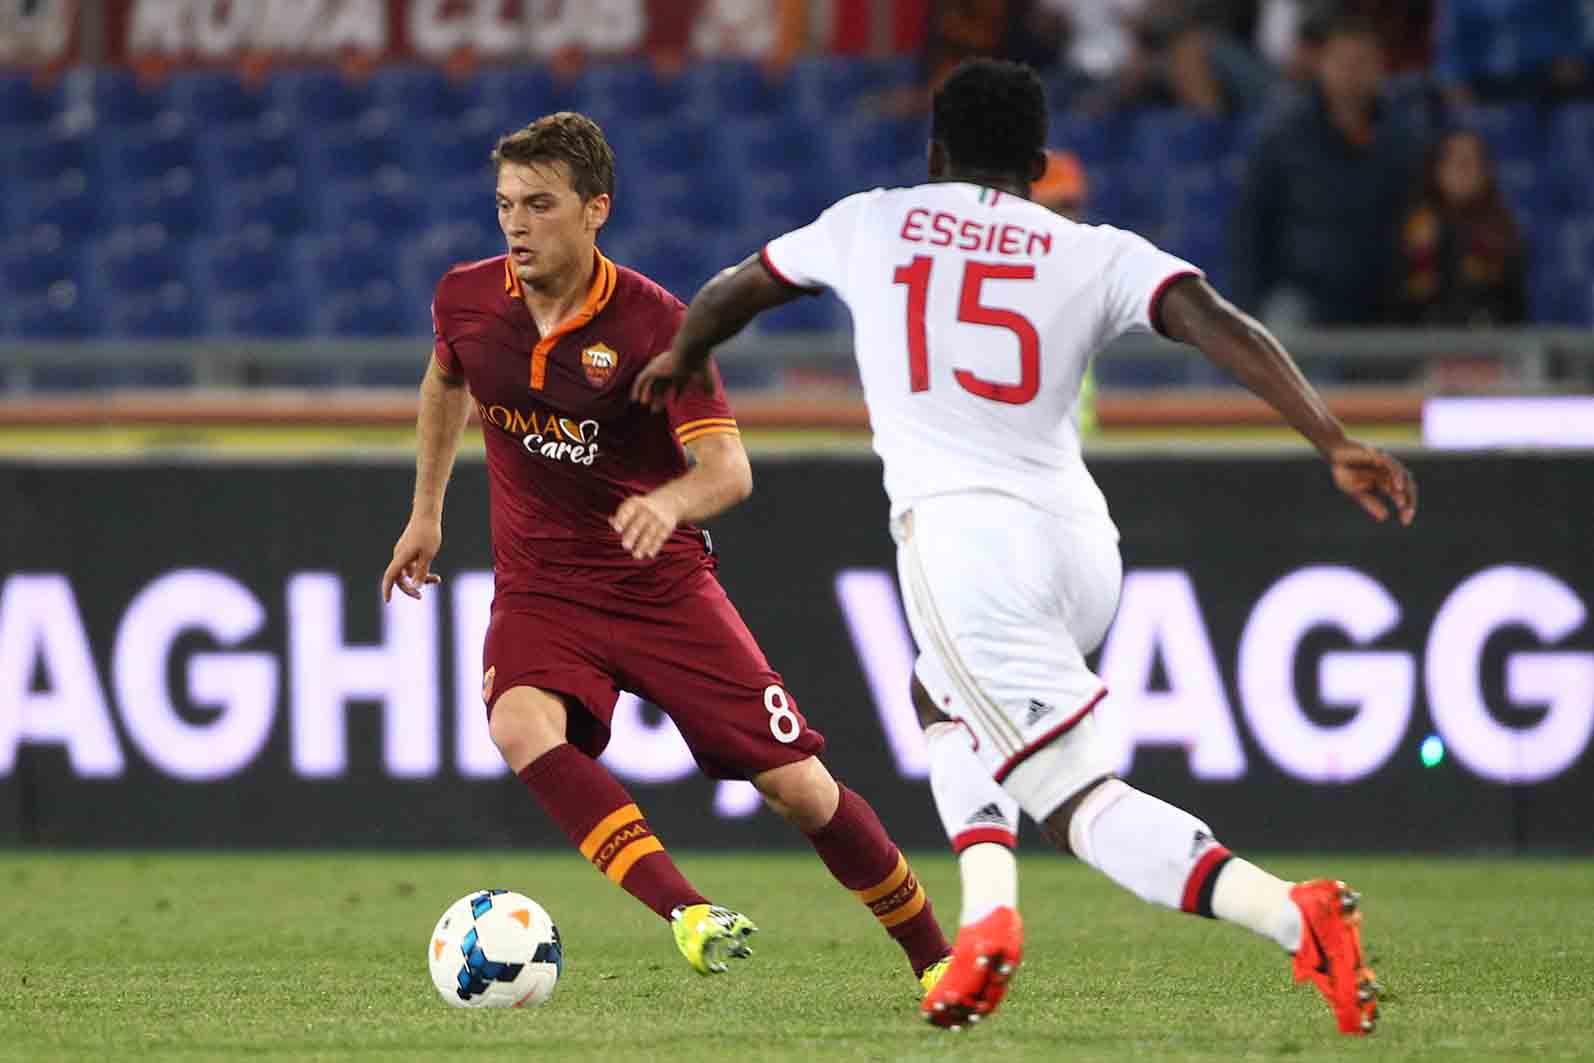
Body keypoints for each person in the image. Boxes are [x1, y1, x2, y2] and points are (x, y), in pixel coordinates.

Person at [634, 58, 1415, 1034]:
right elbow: (1213, 320)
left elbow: (737, 288)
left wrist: (684, 354)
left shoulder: (872, 220)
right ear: (1040, 167)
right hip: (1081, 545)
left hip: (965, 547)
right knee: (937, 694)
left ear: (934, 154)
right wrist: (1330, 438)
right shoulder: (1090, 248)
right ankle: (986, 918)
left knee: (1077, 805)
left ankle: (1291, 913)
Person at [382, 112, 951, 989]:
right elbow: (445, 378)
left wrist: (669, 501)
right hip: (542, 587)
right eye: (505, 205)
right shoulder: (466, 298)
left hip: (660, 588)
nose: (517, 226)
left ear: (596, 209)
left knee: (799, 787)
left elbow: (728, 469)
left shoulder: (657, 326)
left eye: (540, 204)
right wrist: (426, 513)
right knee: (517, 723)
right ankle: (686, 911)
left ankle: (935, 957)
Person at [1231, 12, 1425, 327]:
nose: (1352, 74)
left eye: (1362, 63)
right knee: (1282, 321)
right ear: (1322, 65)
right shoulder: (1284, 136)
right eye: (1343, 62)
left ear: (1380, 68)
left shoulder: (1402, 141)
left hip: (1384, 297)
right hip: (1303, 291)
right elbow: (1252, 225)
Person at [1398, 128, 1527, 327]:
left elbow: (1514, 309)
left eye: (1471, 161)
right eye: (1453, 160)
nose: (1462, 170)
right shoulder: (1415, 227)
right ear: (1437, 170)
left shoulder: (1503, 230)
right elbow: (1399, 305)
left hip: (1488, 339)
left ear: (1486, 173)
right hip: (1425, 339)